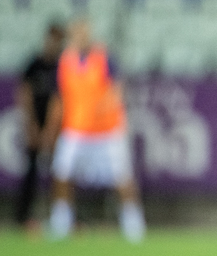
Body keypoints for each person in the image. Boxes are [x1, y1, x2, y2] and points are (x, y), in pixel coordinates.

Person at [47, 18, 146, 242]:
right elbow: (59, 98)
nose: (80, 36)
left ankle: (134, 225)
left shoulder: (104, 57)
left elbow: (117, 89)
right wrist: (52, 128)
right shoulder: (65, 61)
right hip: (75, 129)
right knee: (61, 173)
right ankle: (60, 221)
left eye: (83, 32)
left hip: (106, 130)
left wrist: (105, 106)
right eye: (76, 33)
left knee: (122, 177)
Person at [14, 23, 64, 231]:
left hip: (56, 126)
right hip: (36, 122)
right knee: (32, 170)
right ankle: (23, 216)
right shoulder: (35, 63)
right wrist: (31, 123)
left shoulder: (62, 65)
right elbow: (24, 92)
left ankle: (60, 217)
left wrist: (51, 131)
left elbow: (60, 100)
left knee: (60, 173)